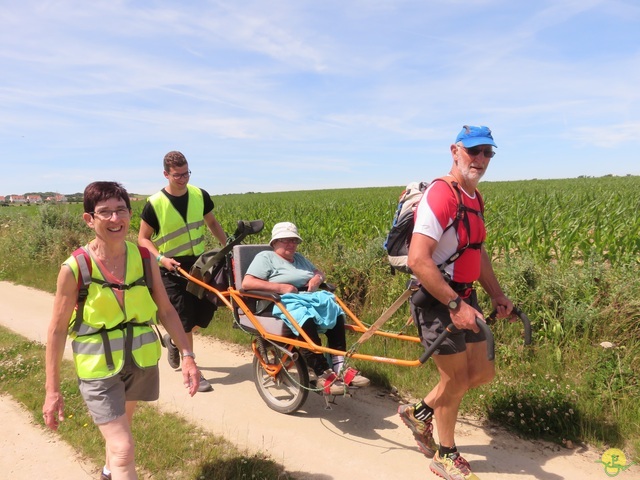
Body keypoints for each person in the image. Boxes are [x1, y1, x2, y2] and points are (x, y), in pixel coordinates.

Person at [43, 181, 201, 480]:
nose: (116, 219)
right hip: (98, 368)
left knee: (119, 438)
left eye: (121, 211)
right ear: (90, 219)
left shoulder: (143, 257)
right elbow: (56, 330)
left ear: (130, 213)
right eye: (105, 213)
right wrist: (52, 390)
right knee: (124, 447)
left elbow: (166, 309)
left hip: (138, 362)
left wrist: (188, 355)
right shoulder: (75, 267)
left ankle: (107, 473)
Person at [399, 125, 514, 480]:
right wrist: (454, 305)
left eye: (488, 153)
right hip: (439, 301)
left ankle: (418, 412)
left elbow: (476, 253)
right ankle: (445, 455)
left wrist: (496, 293)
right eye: (474, 151)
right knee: (455, 380)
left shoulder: (474, 198)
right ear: (455, 151)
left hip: (467, 297)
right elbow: (419, 260)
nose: (480, 159)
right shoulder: (442, 195)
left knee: (481, 372)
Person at [242, 221, 370, 395]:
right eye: (285, 240)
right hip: (280, 301)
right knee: (304, 316)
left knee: (334, 309)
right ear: (275, 243)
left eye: (294, 241)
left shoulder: (299, 258)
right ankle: (321, 371)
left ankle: (340, 365)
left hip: (306, 297)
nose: (291, 244)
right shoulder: (266, 257)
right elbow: (247, 283)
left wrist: (317, 278)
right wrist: (281, 288)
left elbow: (318, 272)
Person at [138, 151, 227, 393]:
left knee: (204, 313)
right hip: (170, 267)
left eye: (186, 173)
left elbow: (212, 223)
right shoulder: (154, 203)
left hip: (198, 265)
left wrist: (228, 247)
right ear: (166, 174)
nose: (183, 179)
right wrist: (161, 258)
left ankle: (173, 340)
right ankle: (194, 369)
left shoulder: (199, 195)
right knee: (184, 318)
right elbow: (142, 239)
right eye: (177, 175)